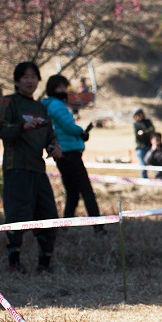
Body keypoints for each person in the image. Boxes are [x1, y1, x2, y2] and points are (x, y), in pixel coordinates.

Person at [0, 62, 63, 274]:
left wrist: (55, 147)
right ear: (16, 81)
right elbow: (1, 129)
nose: (30, 80)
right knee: (17, 215)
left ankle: (44, 264)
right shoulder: (9, 102)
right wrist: (22, 127)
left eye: (34, 76)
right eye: (25, 76)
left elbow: (50, 135)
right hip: (16, 168)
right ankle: (13, 263)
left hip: (38, 169)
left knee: (48, 215)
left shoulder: (41, 108)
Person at [41, 74, 106, 236]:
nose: (63, 90)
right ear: (53, 89)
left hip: (62, 153)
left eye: (64, 87)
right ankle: (98, 228)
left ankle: (64, 227)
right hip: (69, 152)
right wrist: (81, 132)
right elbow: (68, 126)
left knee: (72, 193)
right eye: (60, 87)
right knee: (86, 191)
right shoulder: (56, 105)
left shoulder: (49, 105)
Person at [133, 107, 155, 179]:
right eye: (137, 115)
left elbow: (152, 130)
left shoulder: (147, 122)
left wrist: (144, 132)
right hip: (140, 147)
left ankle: (157, 178)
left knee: (154, 163)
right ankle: (144, 179)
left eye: (140, 114)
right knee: (142, 165)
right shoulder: (136, 124)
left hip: (149, 146)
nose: (139, 116)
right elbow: (137, 135)